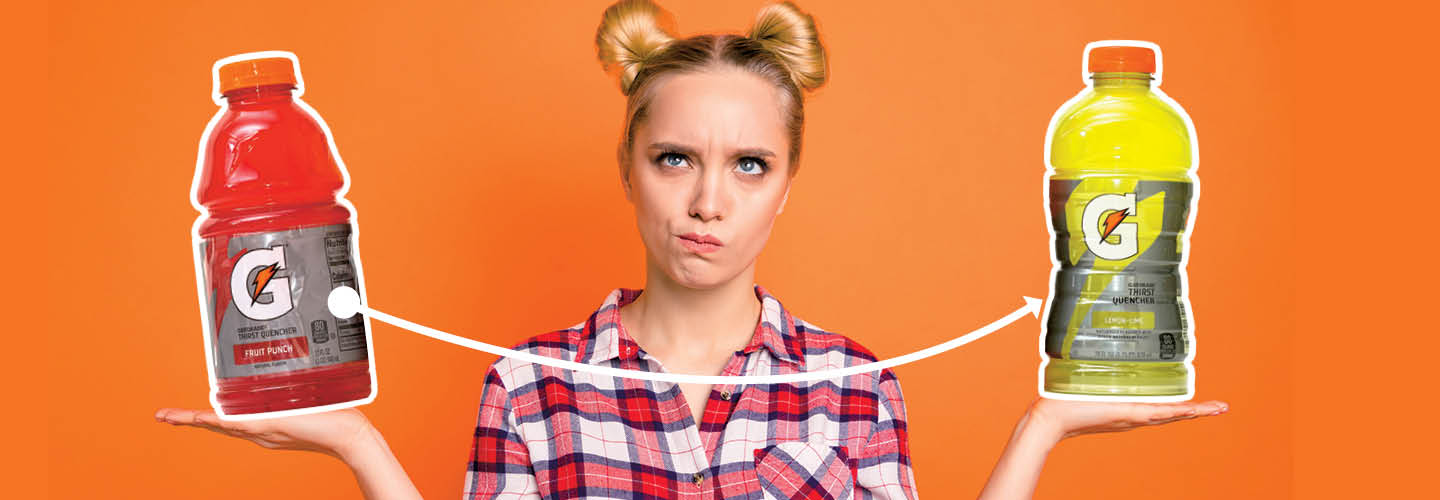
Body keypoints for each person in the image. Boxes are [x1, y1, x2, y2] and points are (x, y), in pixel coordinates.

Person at [156, 1, 1228, 498]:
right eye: (676, 159)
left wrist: (1044, 426)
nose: (708, 201)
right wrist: (360, 448)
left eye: (749, 166)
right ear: (629, 167)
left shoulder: (857, 390)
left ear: (787, 185)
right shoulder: (528, 391)